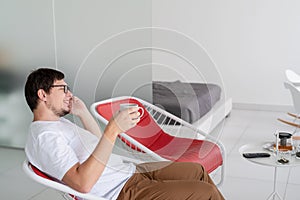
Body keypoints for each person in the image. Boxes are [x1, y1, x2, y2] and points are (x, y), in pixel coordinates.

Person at [24, 68, 225, 200]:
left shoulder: (59, 125)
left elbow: (96, 145)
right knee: (205, 193)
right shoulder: (45, 138)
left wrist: (83, 112)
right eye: (63, 88)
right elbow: (83, 184)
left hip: (131, 171)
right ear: (43, 94)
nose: (70, 93)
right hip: (122, 191)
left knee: (197, 171)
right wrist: (113, 130)